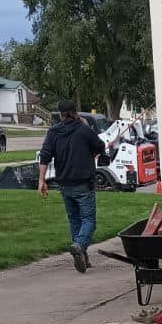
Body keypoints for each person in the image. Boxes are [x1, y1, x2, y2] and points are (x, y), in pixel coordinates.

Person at [37, 100, 113, 273]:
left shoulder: (53, 132)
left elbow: (45, 155)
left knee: (74, 220)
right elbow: (100, 146)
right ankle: (79, 246)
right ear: (75, 112)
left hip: (64, 183)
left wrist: (41, 180)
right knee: (89, 220)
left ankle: (82, 256)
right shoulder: (84, 129)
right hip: (83, 182)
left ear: (60, 114)